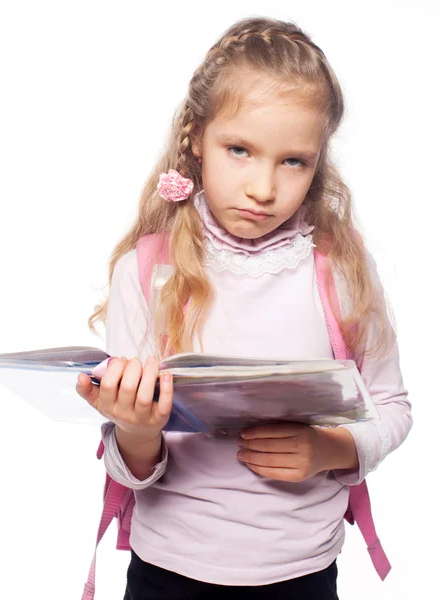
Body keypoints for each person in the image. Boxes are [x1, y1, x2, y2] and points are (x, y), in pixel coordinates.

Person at [76, 16, 412, 600]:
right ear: (196, 139)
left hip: (301, 571)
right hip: (167, 571)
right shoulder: (148, 267)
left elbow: (392, 406)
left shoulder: (338, 266)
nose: (263, 187)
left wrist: (331, 449)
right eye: (239, 150)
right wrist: (134, 426)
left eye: (293, 161)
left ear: (318, 162)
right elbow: (132, 465)